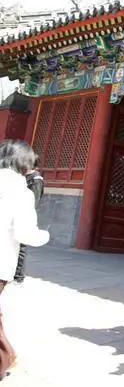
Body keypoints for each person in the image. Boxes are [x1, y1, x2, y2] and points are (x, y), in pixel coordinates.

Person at [0, 140, 50, 379]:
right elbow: (25, 233)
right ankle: (6, 359)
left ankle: (7, 357)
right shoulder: (21, 192)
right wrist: (45, 235)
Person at [14, 154, 44, 285]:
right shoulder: (23, 177)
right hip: (16, 213)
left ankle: (19, 276)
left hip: (25, 216)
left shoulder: (36, 179)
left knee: (21, 246)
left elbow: (34, 201)